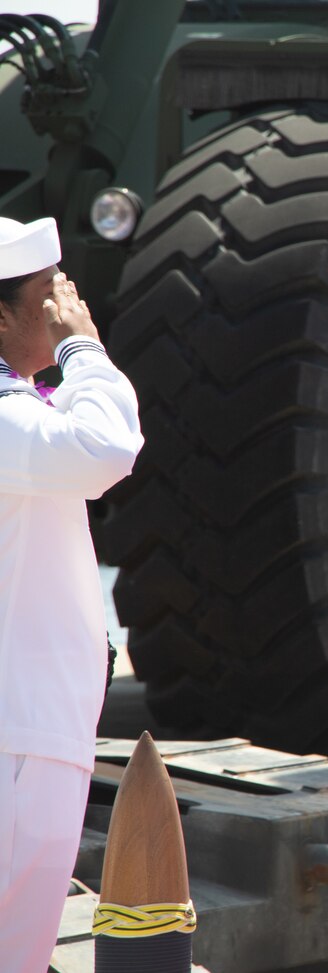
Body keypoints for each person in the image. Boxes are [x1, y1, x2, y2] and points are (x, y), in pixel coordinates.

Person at [0, 216, 144, 971]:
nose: (63, 303)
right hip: (19, 743)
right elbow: (104, 448)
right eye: (46, 295)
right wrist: (82, 347)